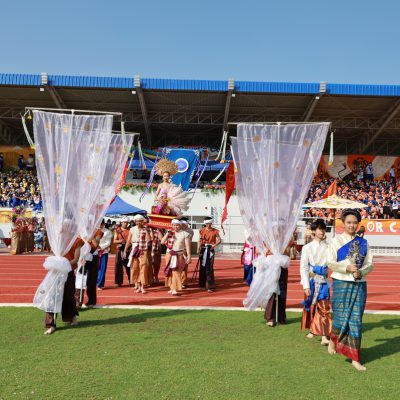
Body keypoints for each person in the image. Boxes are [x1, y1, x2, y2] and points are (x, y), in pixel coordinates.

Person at [327, 209, 373, 371]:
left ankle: (355, 357)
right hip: (341, 282)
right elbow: (330, 262)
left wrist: (361, 272)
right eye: (348, 222)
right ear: (343, 223)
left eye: (354, 222)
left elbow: (370, 264)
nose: (352, 225)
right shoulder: (336, 241)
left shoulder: (364, 243)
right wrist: (347, 268)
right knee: (339, 317)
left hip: (359, 284)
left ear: (358, 224)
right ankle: (333, 340)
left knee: (356, 320)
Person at [300, 219, 331, 345]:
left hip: (323, 281)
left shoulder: (329, 247)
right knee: (311, 306)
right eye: (319, 229)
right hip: (311, 280)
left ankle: (324, 336)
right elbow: (303, 267)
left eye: (323, 229)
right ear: (313, 231)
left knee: (324, 307)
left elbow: (332, 263)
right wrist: (306, 285)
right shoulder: (307, 248)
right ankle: (312, 330)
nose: (321, 231)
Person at [44, 237, 84, 335]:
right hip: (56, 272)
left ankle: (72, 317)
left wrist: (63, 265)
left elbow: (76, 259)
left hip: (68, 272)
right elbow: (54, 255)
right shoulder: (57, 239)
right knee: (52, 297)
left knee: (68, 296)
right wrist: (54, 264)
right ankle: (51, 324)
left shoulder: (77, 241)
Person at [75, 227, 103, 309]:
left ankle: (91, 301)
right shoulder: (79, 229)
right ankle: (77, 302)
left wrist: (90, 236)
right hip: (80, 256)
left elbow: (96, 244)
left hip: (92, 257)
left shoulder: (97, 231)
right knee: (79, 279)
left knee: (91, 280)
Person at [161, 219, 192, 296]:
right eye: (174, 225)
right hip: (171, 254)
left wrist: (189, 256)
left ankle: (175, 288)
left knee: (177, 271)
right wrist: (167, 234)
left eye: (177, 225)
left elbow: (187, 246)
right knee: (172, 271)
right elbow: (162, 242)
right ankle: (172, 288)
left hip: (180, 254)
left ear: (180, 225)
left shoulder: (185, 234)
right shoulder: (170, 233)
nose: (175, 227)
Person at [124, 214, 153, 294]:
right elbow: (129, 240)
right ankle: (138, 285)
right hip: (134, 248)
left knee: (143, 267)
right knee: (135, 267)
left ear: (143, 221)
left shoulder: (146, 229)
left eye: (140, 221)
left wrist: (145, 230)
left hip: (143, 249)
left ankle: (142, 286)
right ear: (135, 221)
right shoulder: (132, 229)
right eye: (137, 221)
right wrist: (125, 250)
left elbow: (149, 239)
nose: (139, 222)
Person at [197, 217, 221, 292]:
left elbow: (219, 240)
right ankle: (202, 284)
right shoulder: (201, 230)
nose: (208, 224)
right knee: (202, 266)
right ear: (205, 223)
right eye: (207, 223)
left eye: (209, 223)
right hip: (203, 249)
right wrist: (198, 248)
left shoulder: (215, 231)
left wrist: (214, 245)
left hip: (210, 249)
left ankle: (210, 285)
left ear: (211, 223)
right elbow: (199, 239)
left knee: (209, 267)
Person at [97, 220, 113, 289]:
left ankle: (99, 284)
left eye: (101, 224)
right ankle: (96, 282)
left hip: (103, 252)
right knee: (95, 268)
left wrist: (100, 247)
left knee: (102, 268)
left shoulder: (107, 232)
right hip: (95, 251)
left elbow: (108, 242)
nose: (99, 225)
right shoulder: (95, 230)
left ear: (103, 224)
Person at [114, 219, 130, 286]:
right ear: (121, 222)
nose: (125, 223)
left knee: (129, 266)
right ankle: (118, 282)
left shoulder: (130, 230)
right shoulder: (117, 230)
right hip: (119, 250)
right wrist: (120, 241)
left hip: (128, 250)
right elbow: (114, 241)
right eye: (124, 222)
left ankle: (131, 279)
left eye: (126, 222)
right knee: (118, 266)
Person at [179, 217, 194, 288]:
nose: (184, 225)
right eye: (183, 224)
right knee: (176, 267)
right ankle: (177, 281)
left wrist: (188, 254)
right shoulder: (178, 229)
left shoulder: (190, 231)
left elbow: (188, 242)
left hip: (184, 250)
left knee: (184, 267)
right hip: (177, 250)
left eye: (186, 224)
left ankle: (183, 282)